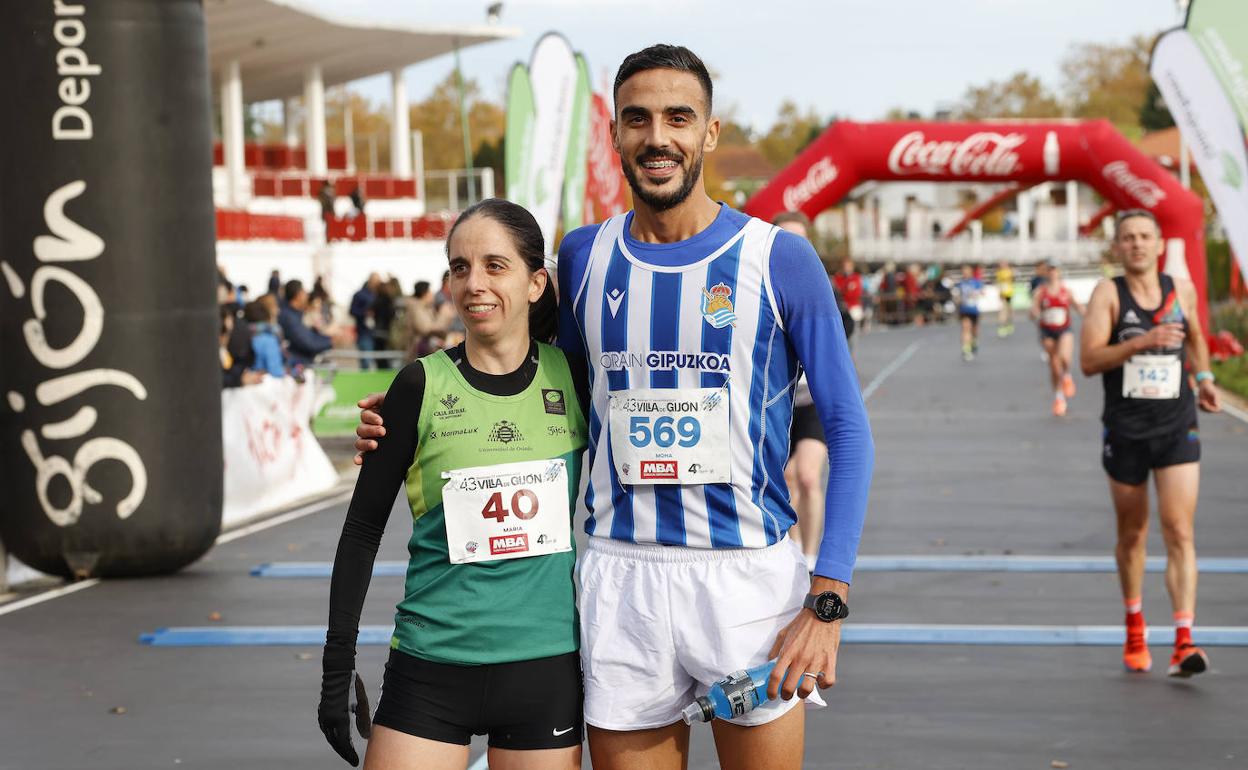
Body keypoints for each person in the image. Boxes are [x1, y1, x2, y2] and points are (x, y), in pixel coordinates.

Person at [355, 45, 872, 770]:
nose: (657, 136)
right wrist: (413, 404)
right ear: (616, 135)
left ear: (710, 133)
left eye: (677, 118)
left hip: (746, 587)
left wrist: (828, 601)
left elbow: (848, 428)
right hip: (621, 582)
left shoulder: (777, 258)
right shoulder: (584, 256)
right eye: (637, 119)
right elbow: (521, 371)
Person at [319, 199, 589, 770]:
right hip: (431, 669)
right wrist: (336, 669)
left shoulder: (576, 379)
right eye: (460, 267)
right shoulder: (418, 385)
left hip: (543, 671)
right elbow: (363, 530)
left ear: (536, 283)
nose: (474, 283)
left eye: (495, 265)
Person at [1080, 209, 1220, 677]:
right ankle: (1135, 625)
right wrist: (1143, 342)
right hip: (1127, 429)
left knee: (1180, 530)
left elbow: (1196, 338)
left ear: (1159, 243)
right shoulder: (1108, 294)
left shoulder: (1180, 289)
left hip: (1177, 423)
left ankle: (1184, 640)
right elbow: (1089, 360)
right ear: (1117, 247)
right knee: (1133, 533)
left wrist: (1203, 377)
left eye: (1144, 236)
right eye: (1128, 238)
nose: (1137, 244)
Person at [1030, 265, 1084, 416]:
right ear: (1047, 274)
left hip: (1064, 329)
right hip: (1047, 330)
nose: (1053, 273)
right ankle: (1059, 398)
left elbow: (1078, 306)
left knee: (1065, 358)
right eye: (1050, 270)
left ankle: (1067, 375)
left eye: (1055, 270)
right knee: (1054, 365)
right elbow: (1033, 309)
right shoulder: (1041, 291)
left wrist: (1089, 316)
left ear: (1059, 273)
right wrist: (1034, 312)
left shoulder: (1066, 291)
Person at [279, 279, 333, 368]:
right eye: (304, 292)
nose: (307, 295)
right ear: (298, 295)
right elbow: (308, 342)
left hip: (302, 362)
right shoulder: (289, 317)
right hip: (296, 365)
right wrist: (331, 341)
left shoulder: (296, 314)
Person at [350, 274, 382, 371]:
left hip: (380, 334)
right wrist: (365, 313)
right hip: (365, 333)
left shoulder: (380, 294)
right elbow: (352, 311)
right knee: (366, 363)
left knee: (382, 363)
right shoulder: (359, 295)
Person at [954, 263, 984, 361]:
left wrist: (976, 293)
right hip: (964, 309)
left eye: (967, 271)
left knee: (974, 329)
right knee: (966, 328)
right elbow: (956, 296)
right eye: (964, 271)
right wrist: (958, 300)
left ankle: (974, 341)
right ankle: (966, 349)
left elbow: (982, 292)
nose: (965, 273)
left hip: (974, 310)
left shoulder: (976, 282)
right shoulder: (960, 284)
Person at [995, 260, 1015, 337]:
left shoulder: (1010, 271)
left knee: (1009, 310)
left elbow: (1012, 280)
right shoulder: (999, 273)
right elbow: (999, 283)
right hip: (1003, 294)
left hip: (1009, 293)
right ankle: (1002, 326)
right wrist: (999, 293)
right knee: (1003, 310)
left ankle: (1009, 323)